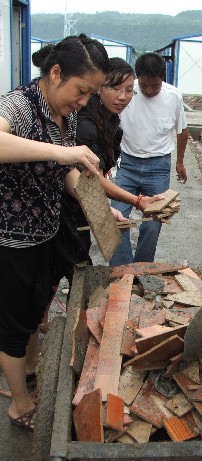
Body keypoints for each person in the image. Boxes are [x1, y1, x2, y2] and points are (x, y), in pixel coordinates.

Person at [0, 34, 121, 431]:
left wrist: (100, 211)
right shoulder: (18, 105)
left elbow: (68, 174)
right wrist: (60, 152)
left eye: (89, 94)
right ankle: (20, 405)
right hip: (12, 241)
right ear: (55, 73)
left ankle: (28, 374)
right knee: (14, 325)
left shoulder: (63, 117)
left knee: (36, 314)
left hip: (46, 233)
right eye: (81, 91)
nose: (83, 101)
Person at [54, 57, 163, 287]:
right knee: (67, 270)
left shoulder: (110, 119)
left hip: (83, 203)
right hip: (65, 208)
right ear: (99, 87)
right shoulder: (86, 124)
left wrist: (105, 209)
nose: (122, 96)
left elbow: (98, 177)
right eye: (114, 88)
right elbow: (91, 180)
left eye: (129, 90)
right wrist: (137, 200)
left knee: (73, 268)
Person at [110, 52, 189, 265]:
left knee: (153, 223)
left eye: (155, 86)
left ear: (163, 78)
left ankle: (143, 269)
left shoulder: (173, 96)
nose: (149, 90)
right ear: (138, 79)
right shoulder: (126, 92)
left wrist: (180, 161)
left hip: (158, 167)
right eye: (144, 85)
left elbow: (182, 130)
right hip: (127, 164)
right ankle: (123, 269)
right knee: (115, 218)